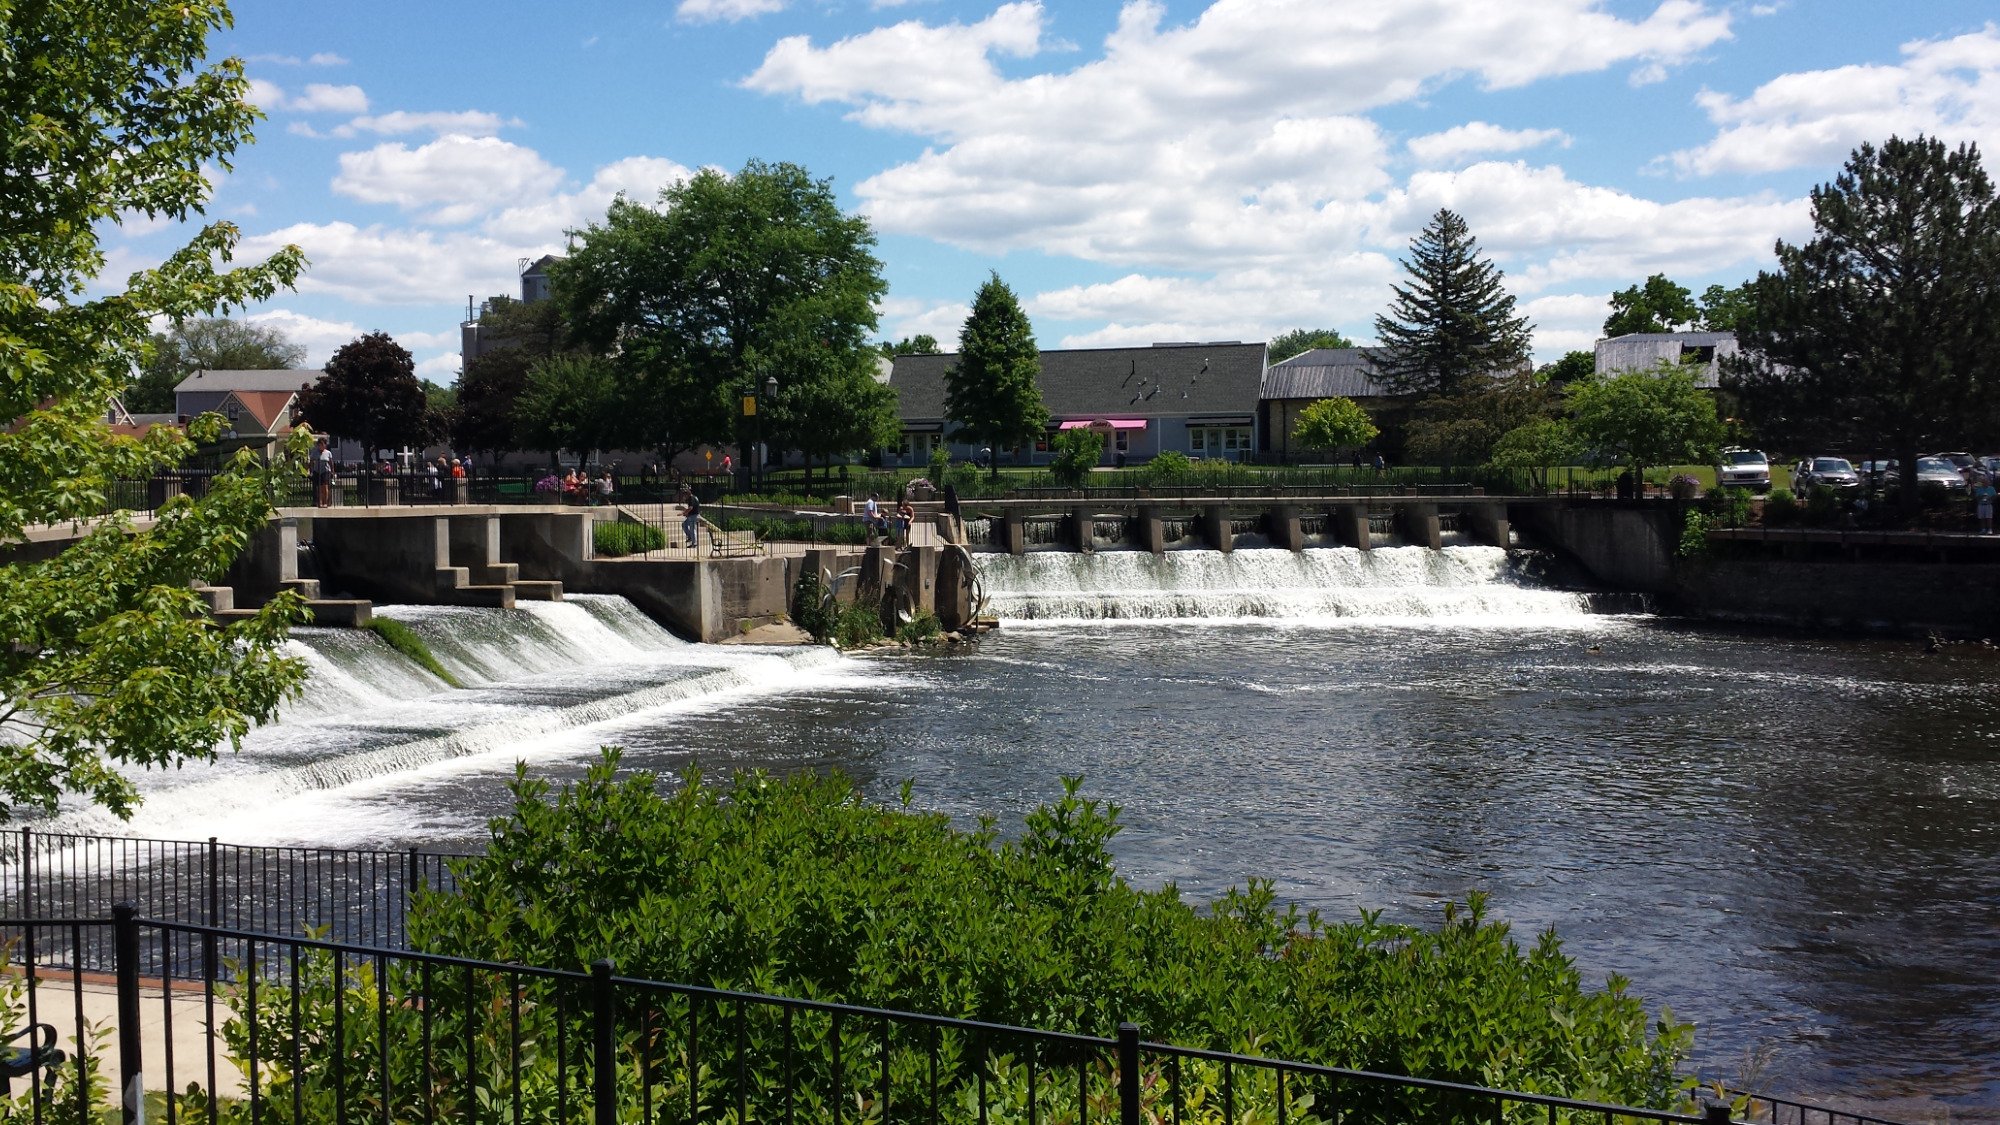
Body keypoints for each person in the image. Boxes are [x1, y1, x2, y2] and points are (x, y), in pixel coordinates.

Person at [311, 436, 333, 507]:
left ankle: (325, 502)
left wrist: (333, 471)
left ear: (325, 445)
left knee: (325, 487)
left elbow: (331, 462)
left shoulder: (328, 453)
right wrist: (310, 470)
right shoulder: (315, 452)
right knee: (319, 488)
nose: (320, 446)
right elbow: (311, 461)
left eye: (322, 444)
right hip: (317, 471)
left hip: (325, 471)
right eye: (319, 444)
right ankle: (320, 502)